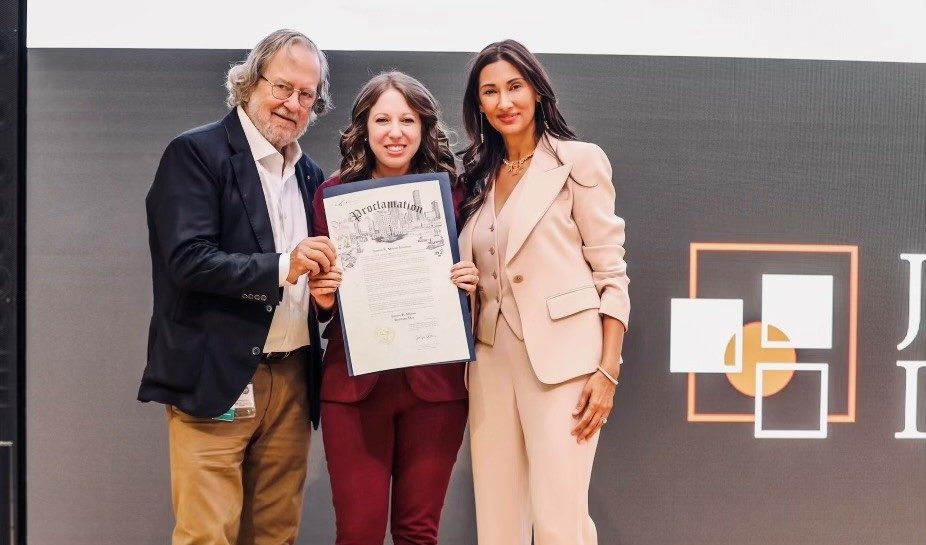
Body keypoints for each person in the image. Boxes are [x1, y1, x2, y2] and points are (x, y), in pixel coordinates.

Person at [138, 29, 336, 545]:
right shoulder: (196, 153)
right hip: (215, 377)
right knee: (207, 534)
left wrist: (324, 296)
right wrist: (282, 266)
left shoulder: (312, 176)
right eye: (282, 86)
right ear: (249, 82)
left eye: (306, 95)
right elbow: (187, 260)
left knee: (275, 535)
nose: (292, 104)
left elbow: (312, 282)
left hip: (292, 380)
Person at [457, 39, 630, 545]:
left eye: (514, 86)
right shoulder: (478, 177)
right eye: (490, 92)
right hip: (488, 362)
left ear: (536, 90)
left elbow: (611, 271)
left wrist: (608, 369)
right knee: (498, 522)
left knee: (559, 519)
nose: (504, 101)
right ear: (480, 106)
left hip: (564, 366)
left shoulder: (579, 161)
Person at [308, 71, 479, 545]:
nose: (395, 132)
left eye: (407, 119)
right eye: (382, 119)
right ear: (364, 128)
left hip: (436, 385)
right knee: (358, 533)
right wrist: (323, 297)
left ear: (424, 128)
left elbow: (485, 273)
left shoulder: (457, 194)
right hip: (355, 385)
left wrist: (472, 283)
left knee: (418, 533)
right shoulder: (331, 196)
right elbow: (324, 297)